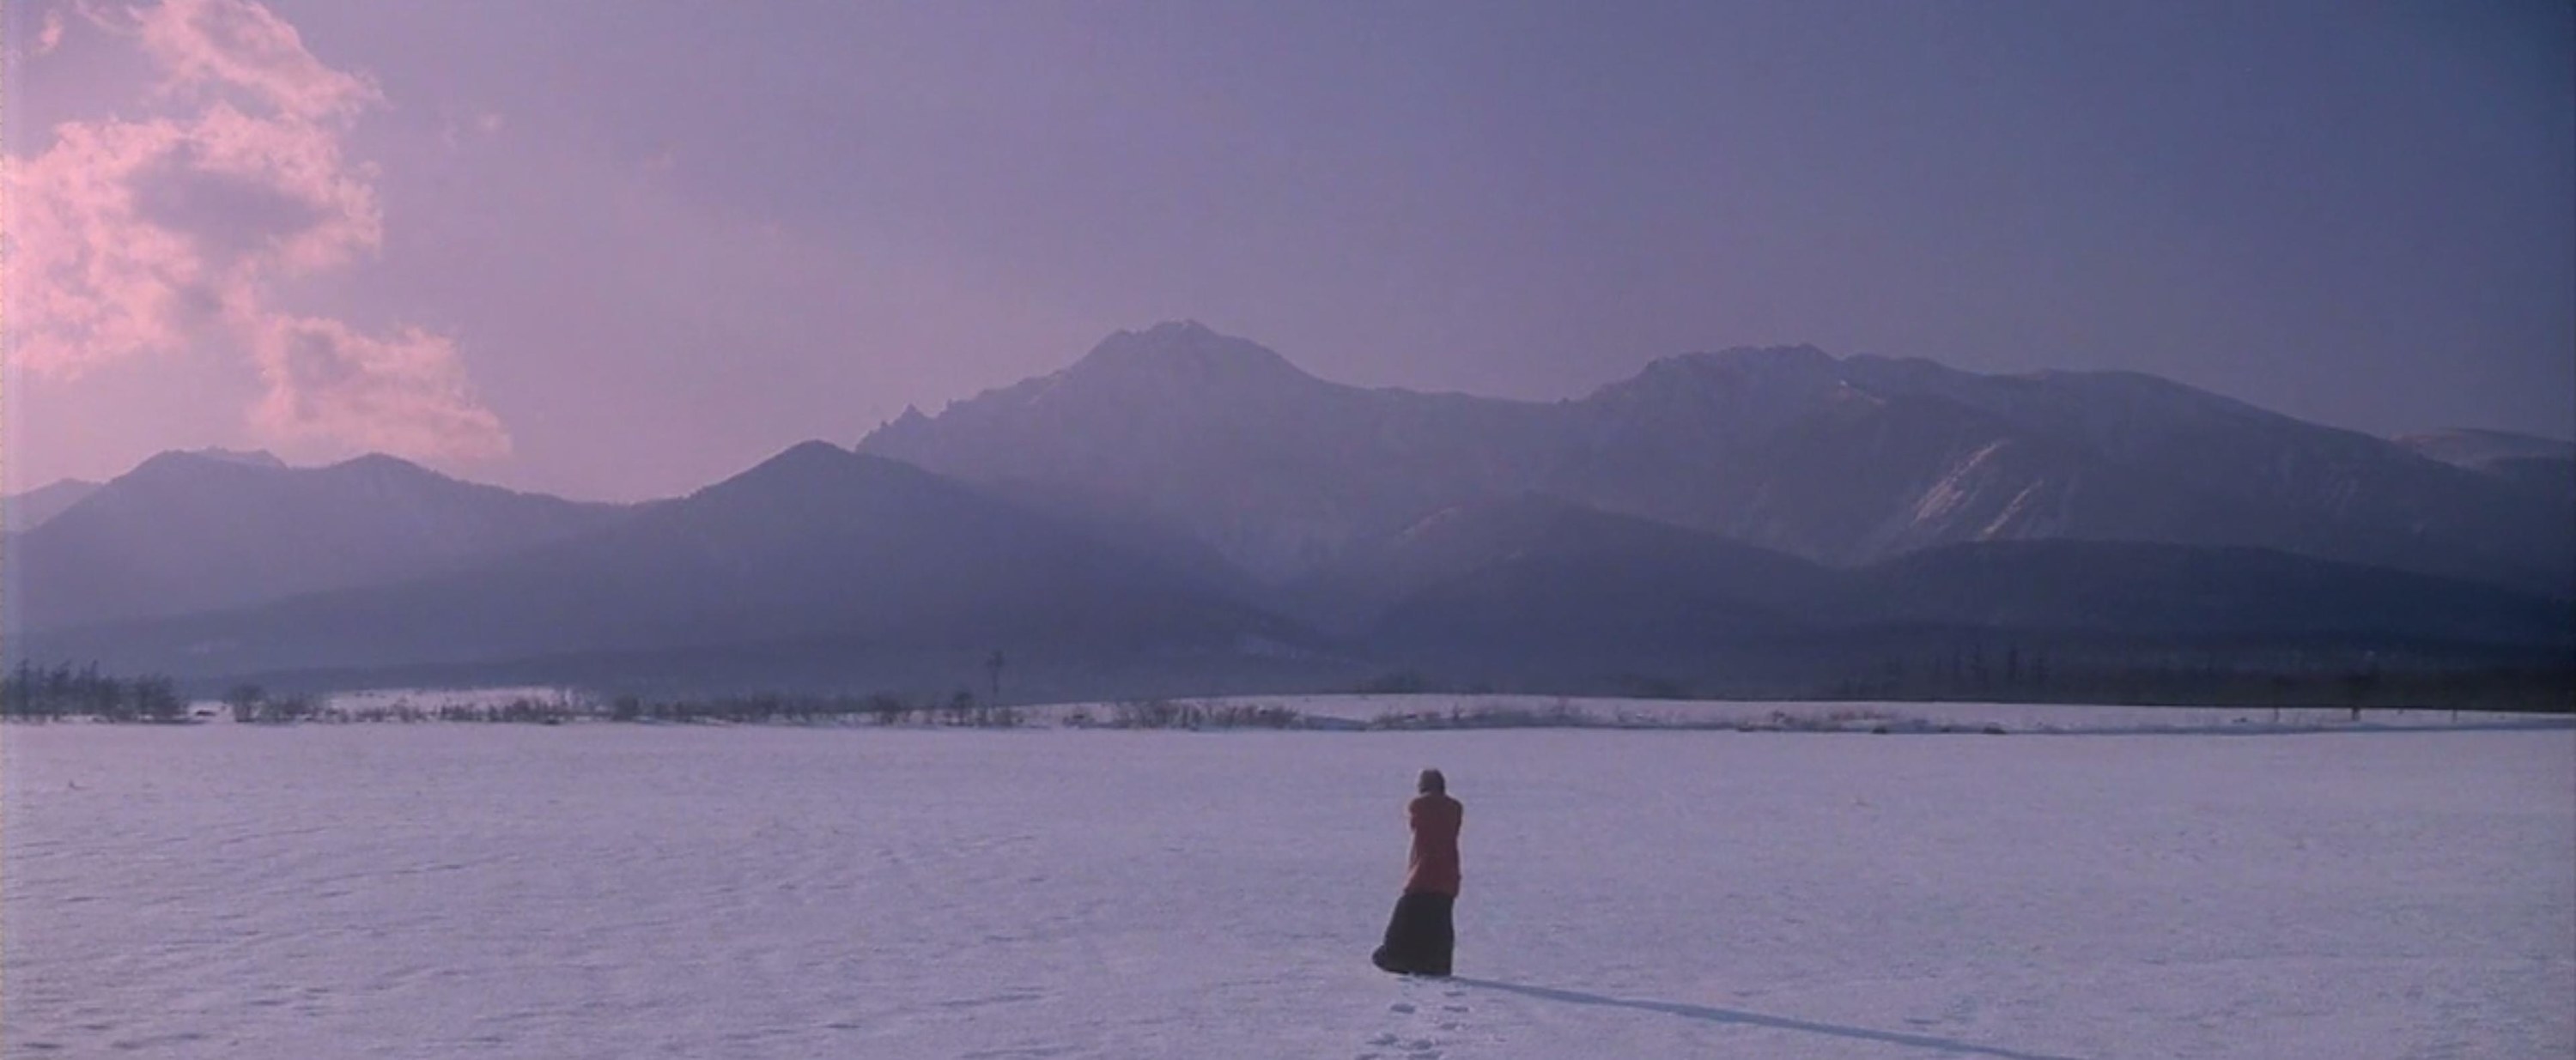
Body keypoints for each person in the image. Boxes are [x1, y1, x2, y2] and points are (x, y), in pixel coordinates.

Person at [1372, 768, 1462, 977]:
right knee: (1439, 920)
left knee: (1406, 918)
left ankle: (1399, 958)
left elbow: (1416, 822)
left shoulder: (1419, 805)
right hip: (1449, 876)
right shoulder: (1456, 808)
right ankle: (1435, 962)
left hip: (1422, 873)